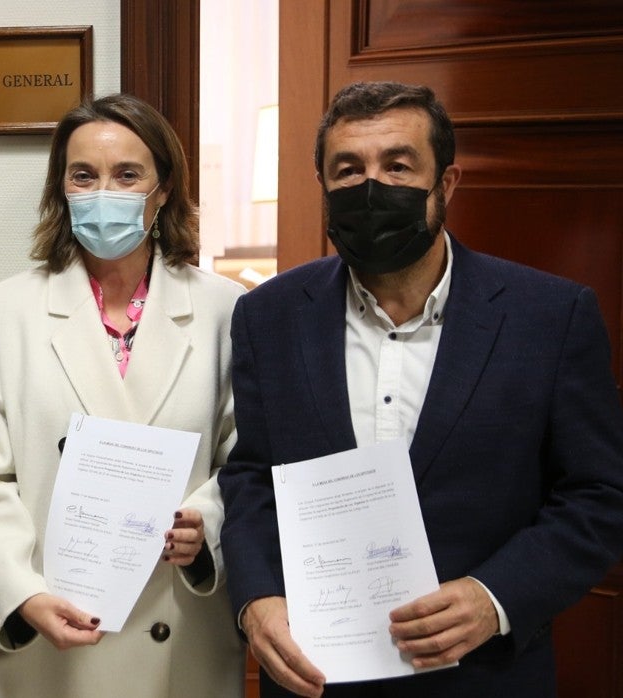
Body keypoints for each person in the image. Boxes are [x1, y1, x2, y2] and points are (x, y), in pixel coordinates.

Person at [219, 81, 623, 697]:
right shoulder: (267, 317)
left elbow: (601, 495)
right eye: (347, 170)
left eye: (398, 166)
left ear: (447, 185)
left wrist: (496, 598)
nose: (371, 187)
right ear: (324, 187)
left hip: (484, 678)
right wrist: (255, 599)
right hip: (317, 677)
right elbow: (250, 477)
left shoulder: (551, 316)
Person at [0, 93, 246, 698]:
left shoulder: (223, 309)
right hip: (50, 638)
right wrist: (23, 594)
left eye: (127, 175)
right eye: (83, 175)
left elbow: (241, 460)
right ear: (60, 188)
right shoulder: (9, 309)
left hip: (177, 635)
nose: (102, 192)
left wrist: (206, 525)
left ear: (163, 188)